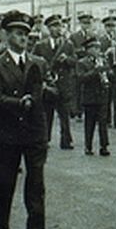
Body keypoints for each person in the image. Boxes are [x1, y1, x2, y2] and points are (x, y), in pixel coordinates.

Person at [0, 11, 50, 229]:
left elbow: (49, 89)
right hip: (8, 130)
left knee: (36, 182)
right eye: (18, 34)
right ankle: (2, 223)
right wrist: (18, 103)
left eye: (25, 34)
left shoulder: (39, 63)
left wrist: (47, 93)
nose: (23, 38)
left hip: (34, 131)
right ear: (7, 35)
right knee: (5, 180)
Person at [33, 14, 77, 150]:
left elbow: (75, 61)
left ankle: (66, 140)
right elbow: (34, 62)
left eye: (60, 26)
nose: (58, 29)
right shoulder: (40, 45)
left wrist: (67, 59)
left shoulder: (67, 44)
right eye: (55, 26)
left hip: (63, 84)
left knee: (64, 114)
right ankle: (45, 139)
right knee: (47, 113)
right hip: (48, 84)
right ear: (49, 28)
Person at [77, 36, 111, 156]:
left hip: (102, 95)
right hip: (90, 97)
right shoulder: (82, 62)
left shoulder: (103, 60)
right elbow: (81, 78)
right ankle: (88, 146)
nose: (98, 50)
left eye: (98, 48)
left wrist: (107, 72)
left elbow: (110, 73)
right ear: (88, 49)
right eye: (95, 48)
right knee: (89, 123)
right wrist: (96, 71)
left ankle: (104, 146)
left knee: (103, 123)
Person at [100, 16, 116, 129]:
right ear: (105, 27)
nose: (111, 29)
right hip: (107, 69)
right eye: (108, 26)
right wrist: (107, 52)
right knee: (107, 97)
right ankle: (107, 119)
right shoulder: (101, 40)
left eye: (113, 26)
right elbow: (99, 55)